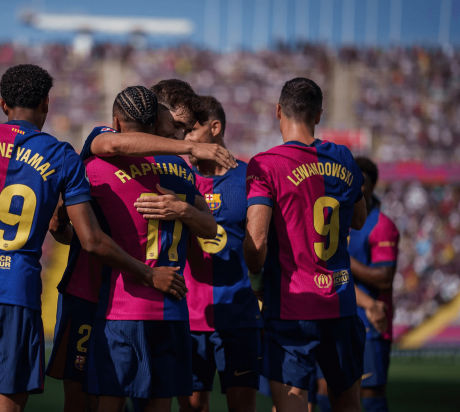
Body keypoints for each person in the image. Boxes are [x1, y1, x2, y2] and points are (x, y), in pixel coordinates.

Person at [0, 65, 185, 412]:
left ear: (4, 104)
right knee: (8, 401)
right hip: (17, 292)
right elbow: (92, 241)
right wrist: (146, 273)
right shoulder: (62, 156)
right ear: (46, 104)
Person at [46, 82, 236, 412]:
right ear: (154, 116)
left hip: (122, 298)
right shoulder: (110, 147)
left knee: (98, 395)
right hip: (93, 290)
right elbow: (65, 230)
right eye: (177, 126)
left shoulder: (108, 168)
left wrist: (183, 210)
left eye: (187, 130)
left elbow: (60, 228)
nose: (182, 136)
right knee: (91, 394)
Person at [243, 77, 368, 412]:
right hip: (340, 303)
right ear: (318, 115)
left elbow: (256, 241)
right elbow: (358, 219)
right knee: (348, 404)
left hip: (292, 306)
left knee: (291, 406)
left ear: (278, 110)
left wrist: (256, 281)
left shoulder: (266, 164)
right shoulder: (343, 157)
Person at [150, 96, 262, 412]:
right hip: (188, 315)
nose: (185, 141)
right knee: (193, 406)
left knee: (242, 405)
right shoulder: (179, 177)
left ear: (215, 128)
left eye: (191, 132)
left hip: (238, 313)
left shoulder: (250, 178)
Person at [316, 157, 399, 412]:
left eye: (362, 185)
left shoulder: (381, 225)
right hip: (335, 314)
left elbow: (384, 277)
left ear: (370, 187)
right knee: (325, 388)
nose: (357, 190)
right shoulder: (337, 220)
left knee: (370, 393)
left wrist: (344, 259)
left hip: (371, 321)